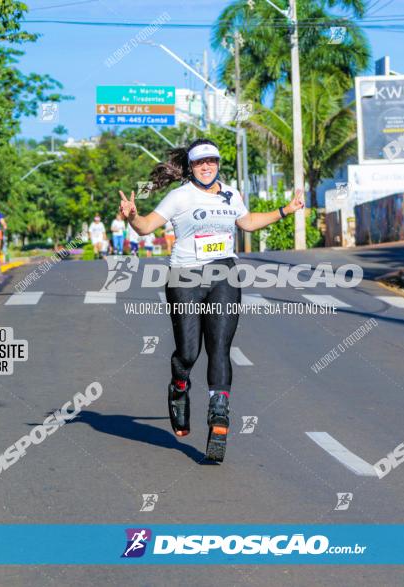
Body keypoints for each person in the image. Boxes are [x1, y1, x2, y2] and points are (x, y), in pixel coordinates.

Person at [118, 138, 303, 462]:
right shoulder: (179, 196)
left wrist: (284, 210)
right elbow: (146, 227)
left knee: (219, 347)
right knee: (189, 352)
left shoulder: (232, 193)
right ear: (190, 167)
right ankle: (179, 387)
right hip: (185, 277)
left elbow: (246, 222)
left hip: (224, 276)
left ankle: (219, 414)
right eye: (200, 162)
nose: (207, 167)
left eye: (212, 161)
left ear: (218, 164)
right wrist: (132, 216)